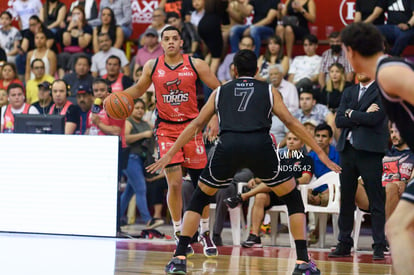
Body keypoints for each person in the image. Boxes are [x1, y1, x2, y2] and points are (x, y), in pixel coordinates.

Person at [146, 49, 341, 274]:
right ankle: (302, 262)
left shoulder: (220, 91)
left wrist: (170, 153)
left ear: (234, 70)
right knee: (293, 197)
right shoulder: (269, 90)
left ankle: (179, 257)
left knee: (199, 198)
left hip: (228, 147)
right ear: (257, 71)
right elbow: (291, 123)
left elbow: (195, 125)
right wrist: (321, 152)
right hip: (260, 147)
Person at [120, 26, 221, 258]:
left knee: (201, 186)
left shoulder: (196, 64)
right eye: (167, 39)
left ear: (181, 43)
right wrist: (119, 96)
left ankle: (204, 232)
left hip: (193, 128)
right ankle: (178, 231)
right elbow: (138, 88)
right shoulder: (152, 66)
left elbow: (219, 91)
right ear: (161, 43)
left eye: (175, 38)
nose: (171, 42)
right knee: (174, 183)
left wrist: (214, 116)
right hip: (166, 129)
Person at [330, 74, 388, 260]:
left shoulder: (381, 91)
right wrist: (360, 114)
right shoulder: (349, 91)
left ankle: (379, 245)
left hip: (369, 152)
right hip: (347, 151)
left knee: (376, 199)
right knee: (346, 198)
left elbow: (374, 119)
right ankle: (344, 243)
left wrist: (351, 113)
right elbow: (339, 120)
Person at [225, 131, 314, 248]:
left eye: (295, 139)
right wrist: (256, 179)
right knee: (260, 196)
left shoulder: (306, 159)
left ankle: (243, 196)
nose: (291, 142)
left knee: (277, 182)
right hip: (273, 193)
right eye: (289, 139)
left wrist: (290, 182)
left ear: (302, 144)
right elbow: (267, 174)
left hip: (291, 194)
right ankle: (255, 236)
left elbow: (306, 178)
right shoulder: (278, 158)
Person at [119, 99, 164, 229]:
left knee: (129, 192)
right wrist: (143, 134)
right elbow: (125, 139)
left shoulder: (146, 123)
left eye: (141, 108)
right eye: (136, 107)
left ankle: (116, 219)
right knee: (141, 188)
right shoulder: (128, 122)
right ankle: (148, 220)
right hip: (130, 158)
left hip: (142, 159)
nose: (139, 110)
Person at [355, 122, 414, 221]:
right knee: (349, 181)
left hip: (398, 195)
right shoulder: (384, 153)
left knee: (391, 187)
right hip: (376, 195)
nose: (393, 135)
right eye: (391, 132)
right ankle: (345, 234)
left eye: (397, 132)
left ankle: (387, 233)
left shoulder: (412, 155)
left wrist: (405, 183)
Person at [57, 6, 93, 78]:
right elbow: (66, 43)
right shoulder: (67, 26)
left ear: (83, 15)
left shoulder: (87, 28)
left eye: (78, 14)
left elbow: (83, 44)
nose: (76, 16)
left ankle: (72, 77)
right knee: (62, 56)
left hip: (83, 52)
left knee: (75, 57)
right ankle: (61, 79)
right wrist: (69, 28)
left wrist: (80, 29)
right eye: (74, 14)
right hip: (69, 51)